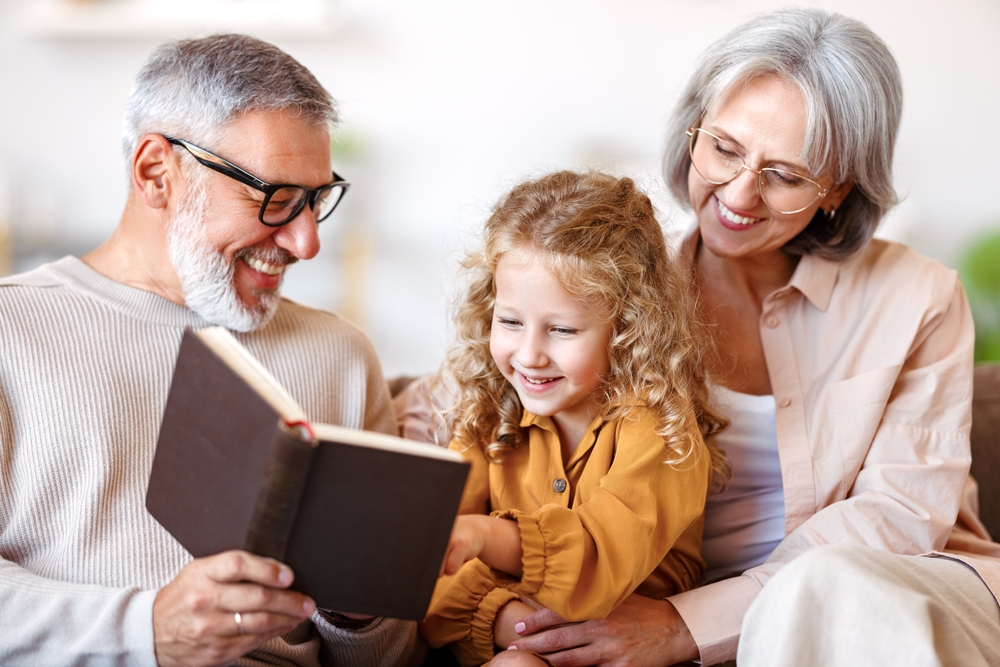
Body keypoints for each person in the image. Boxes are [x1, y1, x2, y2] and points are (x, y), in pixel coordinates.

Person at [396, 8, 1000, 667]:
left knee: (829, 587)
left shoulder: (917, 297)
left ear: (838, 189)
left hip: (894, 594)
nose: (738, 194)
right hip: (655, 610)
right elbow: (469, 394)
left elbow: (898, 519)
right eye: (724, 149)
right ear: (693, 132)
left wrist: (688, 625)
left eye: (786, 175)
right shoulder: (618, 285)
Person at [0, 35, 421, 667]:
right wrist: (146, 629)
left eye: (316, 200)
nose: (306, 242)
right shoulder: (13, 330)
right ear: (156, 173)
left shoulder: (340, 354)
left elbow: (388, 659)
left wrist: (359, 610)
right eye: (275, 198)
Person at [416, 171, 729, 666]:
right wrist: (505, 619)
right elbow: (426, 573)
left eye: (561, 329)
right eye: (511, 321)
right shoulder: (488, 412)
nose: (529, 354)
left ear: (627, 329)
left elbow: (597, 563)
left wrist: (484, 535)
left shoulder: (660, 428)